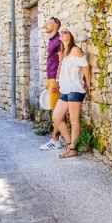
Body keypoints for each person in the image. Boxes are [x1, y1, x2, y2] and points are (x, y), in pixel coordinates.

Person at [53, 27, 91, 159]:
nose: (62, 34)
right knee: (57, 117)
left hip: (75, 88)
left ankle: (73, 148)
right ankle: (69, 143)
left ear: (71, 35)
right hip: (65, 89)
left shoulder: (75, 50)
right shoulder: (64, 52)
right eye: (61, 33)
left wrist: (89, 85)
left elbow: (86, 67)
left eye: (65, 32)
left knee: (74, 120)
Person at [39, 17, 65, 150]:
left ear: (55, 25)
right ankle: (57, 138)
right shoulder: (51, 40)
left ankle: (55, 140)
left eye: (48, 23)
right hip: (51, 79)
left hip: (55, 79)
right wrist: (48, 79)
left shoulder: (58, 40)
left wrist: (57, 80)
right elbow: (51, 61)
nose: (45, 25)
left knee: (56, 111)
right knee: (54, 110)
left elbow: (61, 61)